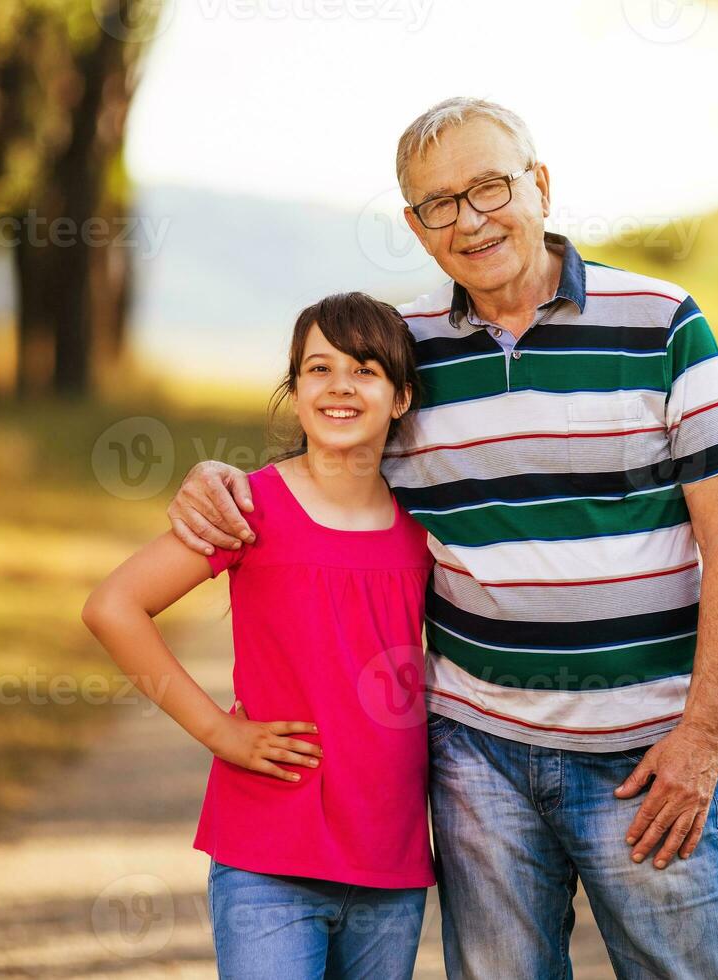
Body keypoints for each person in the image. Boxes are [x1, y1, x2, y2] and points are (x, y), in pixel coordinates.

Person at [168, 98, 718, 979]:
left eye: (490, 187)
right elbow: (325, 460)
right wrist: (214, 481)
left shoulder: (662, 322)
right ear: (416, 227)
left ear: (541, 186)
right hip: (478, 760)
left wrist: (703, 736)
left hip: (644, 754)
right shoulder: (407, 352)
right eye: (440, 203)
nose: (472, 220)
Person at [82, 292, 433, 979]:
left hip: (388, 857)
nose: (339, 386)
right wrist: (220, 732)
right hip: (269, 852)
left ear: (399, 398)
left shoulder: (421, 528)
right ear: (295, 393)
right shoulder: (250, 506)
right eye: (317, 369)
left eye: (365, 370)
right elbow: (113, 606)